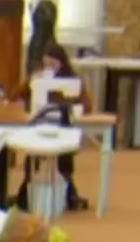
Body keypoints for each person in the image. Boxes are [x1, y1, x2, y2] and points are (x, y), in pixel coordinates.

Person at [13, 45, 91, 213]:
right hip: (41, 124)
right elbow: (14, 96)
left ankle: (65, 191)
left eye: (53, 64)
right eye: (46, 65)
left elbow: (88, 106)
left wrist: (75, 103)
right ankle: (30, 192)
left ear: (62, 63)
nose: (50, 69)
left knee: (63, 155)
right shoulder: (38, 80)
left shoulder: (72, 81)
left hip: (62, 125)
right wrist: (30, 81)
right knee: (34, 154)